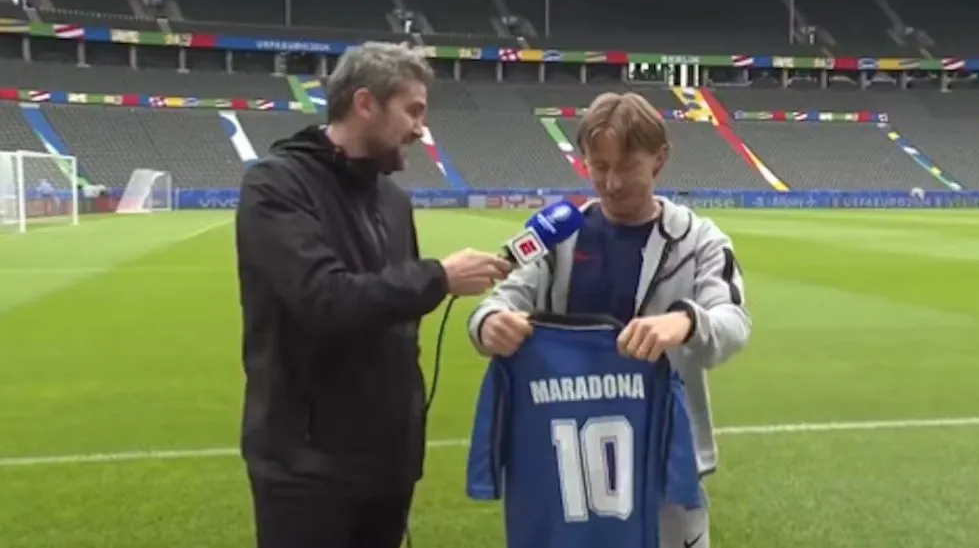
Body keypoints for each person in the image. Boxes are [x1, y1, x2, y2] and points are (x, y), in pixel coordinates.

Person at [235, 41, 513, 548]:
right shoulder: (275, 185)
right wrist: (438, 278)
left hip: (387, 465)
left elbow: (396, 324)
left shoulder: (393, 198)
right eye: (412, 109)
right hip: (306, 469)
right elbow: (323, 299)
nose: (420, 128)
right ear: (365, 103)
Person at [466, 92, 752, 548]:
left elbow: (733, 323)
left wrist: (686, 323)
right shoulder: (557, 234)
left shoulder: (699, 240)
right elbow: (496, 302)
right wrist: (489, 323)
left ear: (659, 159)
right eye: (598, 167)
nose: (612, 182)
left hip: (666, 462)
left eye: (627, 166)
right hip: (569, 464)